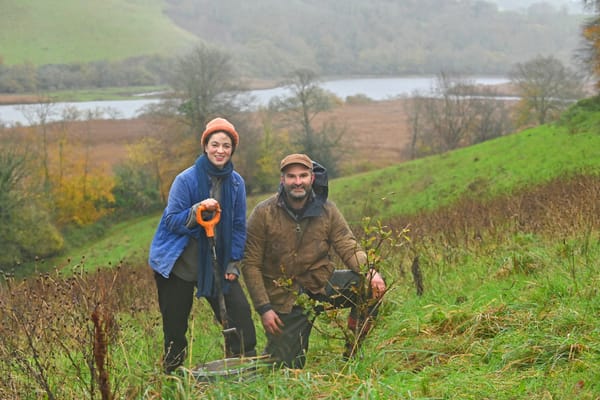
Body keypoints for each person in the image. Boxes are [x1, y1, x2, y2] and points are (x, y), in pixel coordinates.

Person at [242, 153, 386, 369]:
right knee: (285, 368)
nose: (297, 182)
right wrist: (264, 309)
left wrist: (370, 270)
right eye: (291, 176)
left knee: (368, 287)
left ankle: (352, 351)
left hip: (320, 284)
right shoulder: (263, 213)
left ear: (312, 178)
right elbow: (250, 264)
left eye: (303, 175)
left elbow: (347, 245)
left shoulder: (328, 210)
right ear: (283, 180)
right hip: (285, 298)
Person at [149, 117, 256, 373]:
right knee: (175, 328)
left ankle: (243, 367)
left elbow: (239, 225)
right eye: (215, 144)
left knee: (239, 314)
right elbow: (172, 221)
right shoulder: (185, 180)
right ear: (205, 146)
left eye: (226, 145)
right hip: (179, 264)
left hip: (216, 262)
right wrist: (197, 210)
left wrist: (232, 262)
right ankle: (173, 377)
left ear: (232, 149)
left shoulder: (237, 183)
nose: (221, 150)